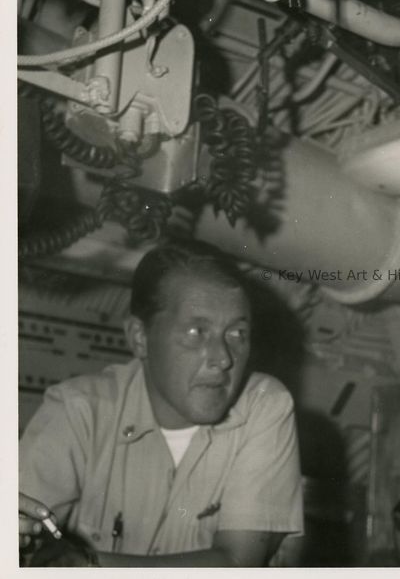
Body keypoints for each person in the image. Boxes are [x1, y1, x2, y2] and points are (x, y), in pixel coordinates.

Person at [19, 239, 303, 567]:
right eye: (197, 331)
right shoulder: (78, 410)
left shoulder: (265, 405)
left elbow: (238, 564)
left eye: (237, 334)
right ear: (140, 337)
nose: (223, 358)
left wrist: (87, 566)